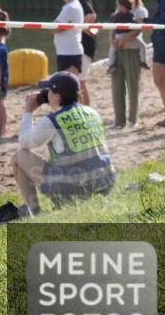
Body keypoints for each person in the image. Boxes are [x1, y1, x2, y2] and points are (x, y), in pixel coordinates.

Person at [9, 72, 115, 215]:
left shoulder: (53, 120)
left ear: (57, 97)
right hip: (104, 184)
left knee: (19, 157)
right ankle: (37, 210)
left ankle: (35, 212)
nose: (47, 95)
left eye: (49, 92)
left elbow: (24, 142)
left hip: (75, 190)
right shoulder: (92, 112)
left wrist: (28, 111)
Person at [109, 0, 148, 129]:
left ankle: (133, 119)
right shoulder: (118, 10)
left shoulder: (140, 11)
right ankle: (119, 120)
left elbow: (137, 30)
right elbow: (112, 29)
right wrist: (113, 42)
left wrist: (123, 40)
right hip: (118, 51)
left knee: (133, 85)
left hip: (132, 51)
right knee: (116, 86)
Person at [106, 0, 149, 76]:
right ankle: (143, 61)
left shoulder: (115, 16)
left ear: (122, 6)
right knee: (143, 46)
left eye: (117, 5)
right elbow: (137, 27)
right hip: (130, 39)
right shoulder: (132, 16)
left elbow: (111, 28)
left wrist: (113, 40)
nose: (117, 7)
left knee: (112, 50)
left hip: (118, 37)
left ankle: (111, 65)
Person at [52, 0, 85, 75]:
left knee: (67, 87)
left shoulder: (70, 8)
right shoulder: (73, 5)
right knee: (68, 87)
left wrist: (58, 27)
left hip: (69, 53)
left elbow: (53, 28)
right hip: (67, 52)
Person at [75, 0, 98, 106]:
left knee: (81, 81)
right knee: (79, 80)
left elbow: (92, 15)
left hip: (86, 44)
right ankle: (84, 107)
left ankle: (86, 109)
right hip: (86, 44)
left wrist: (80, 27)